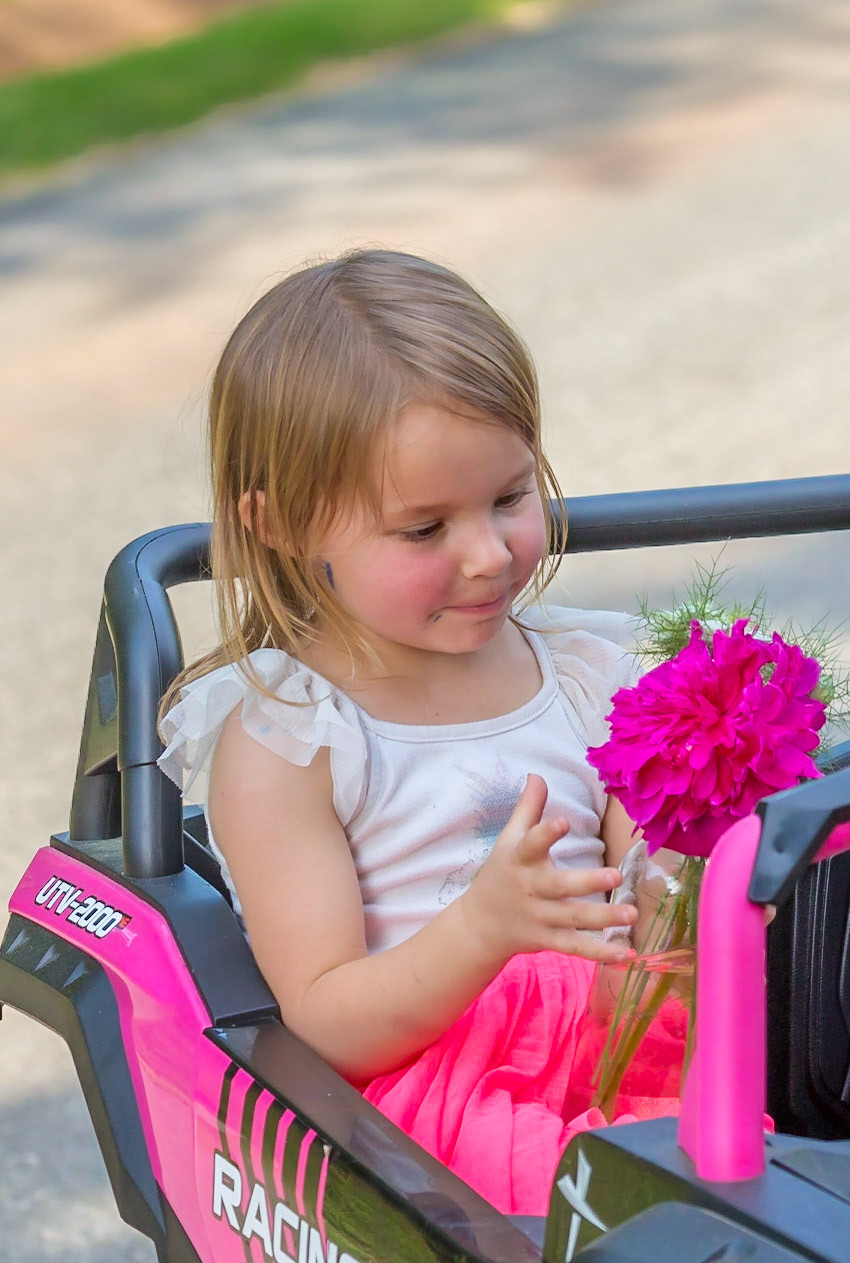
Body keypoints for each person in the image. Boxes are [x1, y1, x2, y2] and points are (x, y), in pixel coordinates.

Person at [157, 249, 676, 1214]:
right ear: (280, 522)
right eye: (423, 528)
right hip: (439, 1102)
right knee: (604, 1209)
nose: (487, 553)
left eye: (509, 497)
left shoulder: (581, 675)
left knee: (743, 1180)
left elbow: (643, 899)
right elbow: (323, 1020)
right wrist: (483, 928)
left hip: (623, 1046)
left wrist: (680, 877)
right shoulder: (294, 739)